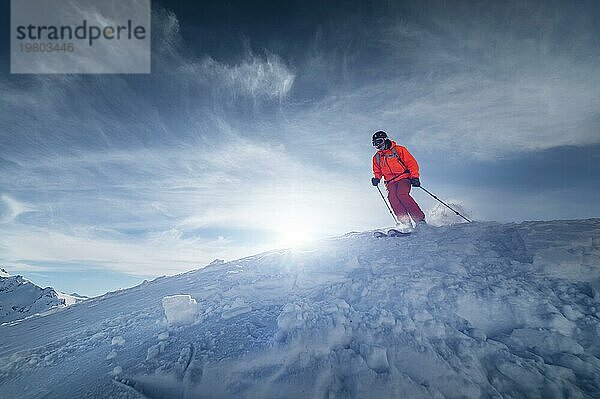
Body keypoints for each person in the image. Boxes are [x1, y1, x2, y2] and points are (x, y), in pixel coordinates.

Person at [371, 130, 426, 227]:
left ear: (385, 140)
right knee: (392, 198)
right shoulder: (376, 157)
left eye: (379, 142)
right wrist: (376, 178)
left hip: (403, 177)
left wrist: (415, 177)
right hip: (390, 182)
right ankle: (405, 222)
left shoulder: (398, 150)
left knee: (402, 194)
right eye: (375, 144)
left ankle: (419, 220)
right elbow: (377, 171)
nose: (378, 145)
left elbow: (411, 163)